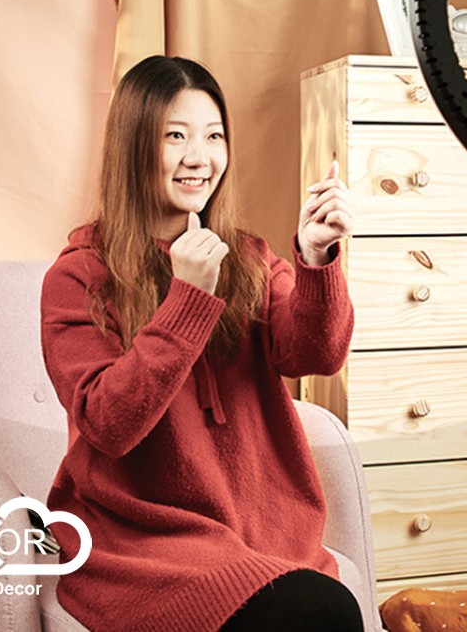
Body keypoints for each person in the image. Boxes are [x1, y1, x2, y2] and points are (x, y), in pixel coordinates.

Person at [40, 55, 363, 632]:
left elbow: (315, 355)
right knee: (323, 611)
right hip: (140, 537)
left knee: (321, 607)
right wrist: (187, 299)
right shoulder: (79, 277)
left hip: (258, 525)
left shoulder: (250, 258)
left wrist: (316, 259)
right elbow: (108, 423)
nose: (200, 157)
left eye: (214, 136)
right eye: (175, 136)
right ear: (133, 147)